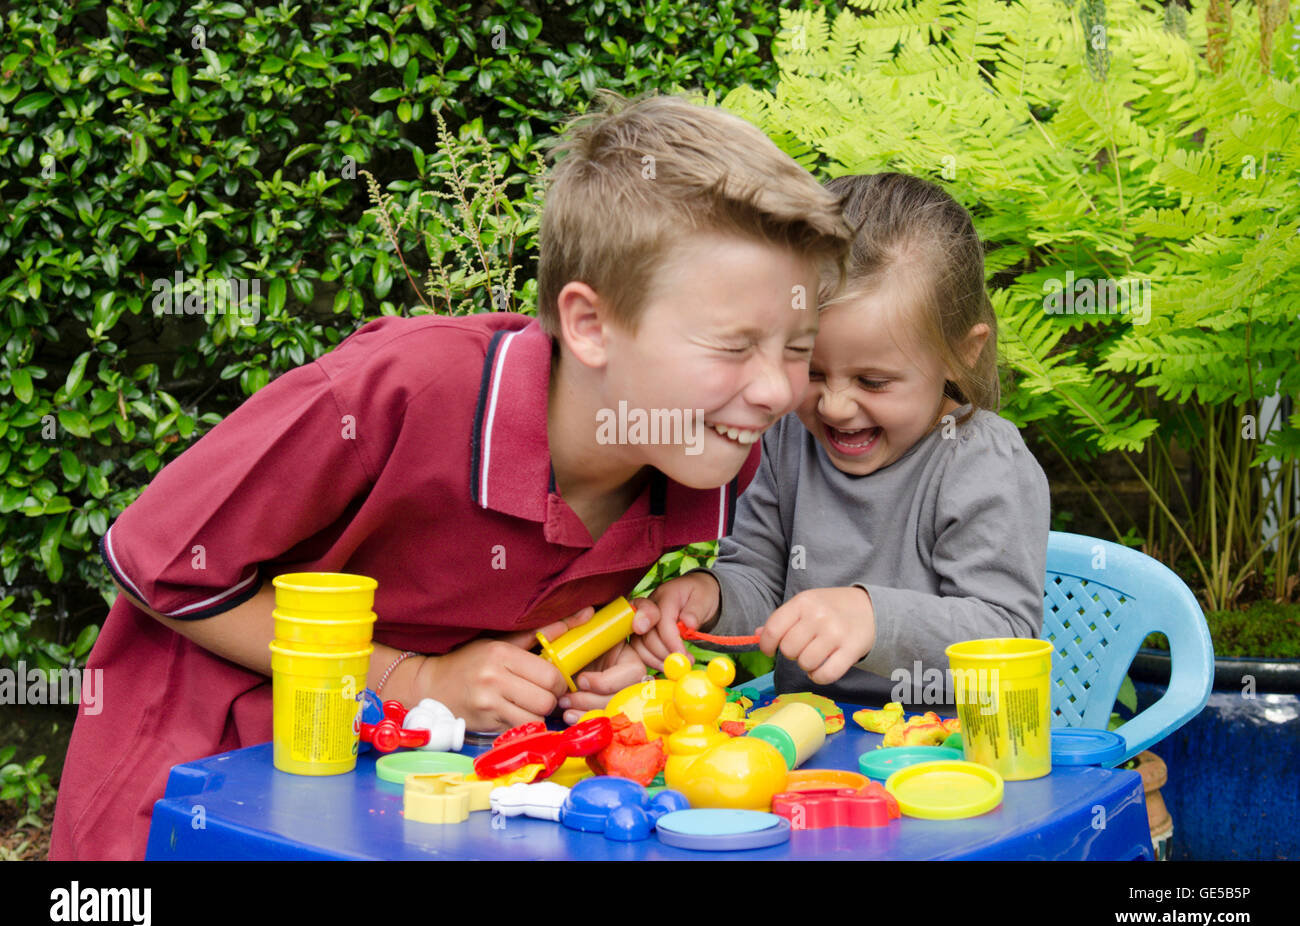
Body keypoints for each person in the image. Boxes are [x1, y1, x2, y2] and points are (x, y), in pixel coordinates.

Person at [50, 90, 852, 859]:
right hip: (201, 779)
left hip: (400, 789)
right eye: (733, 346)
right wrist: (417, 677)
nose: (778, 390)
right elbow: (161, 562)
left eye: (795, 347)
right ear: (591, 324)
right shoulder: (406, 388)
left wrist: (588, 667)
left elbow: (503, 612)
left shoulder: (701, 449)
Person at [632, 172, 1050, 708]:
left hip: (946, 763)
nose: (834, 406)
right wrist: (711, 597)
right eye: (809, 369)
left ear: (960, 352)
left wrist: (874, 619)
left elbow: (1006, 636)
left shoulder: (981, 461)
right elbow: (761, 581)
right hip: (813, 746)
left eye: (872, 381)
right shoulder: (787, 440)